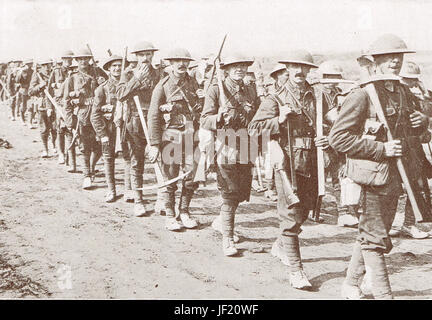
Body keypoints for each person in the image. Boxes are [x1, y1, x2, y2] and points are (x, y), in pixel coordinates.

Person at [329, 34, 430, 299]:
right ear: (376, 62)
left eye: (398, 57)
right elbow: (338, 138)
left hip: (397, 178)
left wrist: (421, 124)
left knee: (374, 232)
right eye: (388, 58)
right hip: (372, 178)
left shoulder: (403, 92)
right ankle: (384, 295)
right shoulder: (362, 94)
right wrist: (380, 149)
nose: (395, 62)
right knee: (374, 239)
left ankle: (351, 284)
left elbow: (415, 136)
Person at [249, 50, 326, 290]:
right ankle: (296, 270)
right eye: (295, 67)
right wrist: (278, 120)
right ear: (287, 69)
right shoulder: (276, 98)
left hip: (314, 162)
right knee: (291, 215)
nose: (300, 72)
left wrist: (329, 138)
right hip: (288, 164)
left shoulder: (317, 96)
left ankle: (281, 245)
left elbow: (335, 120)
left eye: (305, 68)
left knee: (305, 210)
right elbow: (254, 129)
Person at [201, 54, 259, 256]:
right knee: (229, 193)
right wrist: (219, 116)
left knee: (241, 193)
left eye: (243, 66)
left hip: (246, 144)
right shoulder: (216, 89)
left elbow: (257, 115)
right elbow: (204, 120)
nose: (239, 69)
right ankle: (227, 238)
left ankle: (221, 222)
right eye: (235, 66)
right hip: (225, 144)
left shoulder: (250, 89)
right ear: (226, 69)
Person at [148, 48, 202, 231]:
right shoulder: (162, 86)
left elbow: (202, 110)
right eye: (177, 61)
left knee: (191, 177)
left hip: (192, 135)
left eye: (185, 61)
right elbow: (153, 116)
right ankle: (170, 215)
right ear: (171, 63)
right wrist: (154, 144)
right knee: (170, 177)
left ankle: (184, 211)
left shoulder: (194, 84)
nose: (181, 64)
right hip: (172, 135)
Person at [388, 60, 432, 239]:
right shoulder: (385, 95)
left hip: (412, 150)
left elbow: (423, 124)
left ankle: (409, 223)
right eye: (406, 79)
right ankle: (386, 225)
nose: (410, 83)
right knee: (390, 188)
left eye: (414, 80)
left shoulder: (416, 97)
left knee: (417, 185)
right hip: (392, 149)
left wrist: (424, 120)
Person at [116, 41, 160, 216]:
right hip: (134, 123)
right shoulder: (127, 74)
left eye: (149, 54)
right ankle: (139, 200)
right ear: (136, 57)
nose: (145, 58)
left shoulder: (159, 74)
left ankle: (161, 200)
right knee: (137, 162)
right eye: (142, 55)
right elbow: (120, 95)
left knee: (160, 160)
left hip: (154, 122)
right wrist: (136, 80)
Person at [315, 60, 360, 227]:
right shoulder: (315, 94)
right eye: (328, 77)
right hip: (319, 142)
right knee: (315, 179)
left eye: (335, 77)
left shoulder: (341, 95)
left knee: (340, 176)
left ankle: (344, 212)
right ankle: (312, 210)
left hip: (337, 141)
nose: (331, 81)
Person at [63, 48, 102, 189]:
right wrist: (69, 121)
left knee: (100, 147)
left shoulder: (98, 72)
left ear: (90, 59)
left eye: (86, 58)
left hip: (99, 115)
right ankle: (87, 175)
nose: (83, 61)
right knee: (85, 147)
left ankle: (91, 168)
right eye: (80, 59)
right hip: (83, 115)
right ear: (77, 61)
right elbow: (66, 101)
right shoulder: (72, 78)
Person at [91, 55, 124, 202]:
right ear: (109, 69)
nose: (117, 68)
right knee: (108, 159)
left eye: (119, 66)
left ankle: (130, 191)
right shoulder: (102, 89)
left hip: (126, 128)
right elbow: (95, 115)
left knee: (131, 159)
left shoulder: (129, 85)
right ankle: (111, 190)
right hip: (109, 130)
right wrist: (102, 134)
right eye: (114, 66)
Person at [48, 50, 74, 165]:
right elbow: (49, 90)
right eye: (66, 59)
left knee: (71, 129)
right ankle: (61, 153)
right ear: (62, 60)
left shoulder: (74, 71)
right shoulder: (56, 72)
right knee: (60, 130)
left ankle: (70, 155)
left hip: (72, 104)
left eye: (70, 59)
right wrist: (49, 107)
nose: (68, 61)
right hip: (59, 104)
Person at [29, 59, 56, 158]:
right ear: (42, 66)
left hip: (54, 104)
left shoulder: (54, 73)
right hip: (42, 106)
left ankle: (54, 146)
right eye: (45, 65)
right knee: (44, 129)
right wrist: (40, 86)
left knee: (55, 128)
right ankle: (45, 149)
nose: (47, 67)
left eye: (49, 65)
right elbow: (30, 91)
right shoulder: (37, 75)